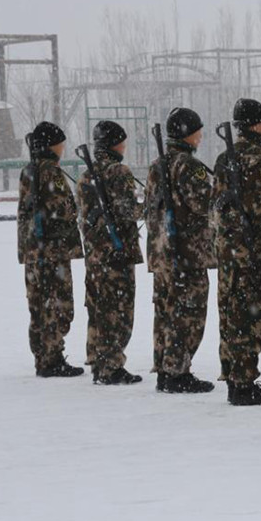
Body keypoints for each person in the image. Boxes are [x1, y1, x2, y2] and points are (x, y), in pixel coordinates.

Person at [213, 98, 261, 406]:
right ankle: (244, 382)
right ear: (257, 125)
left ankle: (233, 375)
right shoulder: (259, 160)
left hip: (228, 248)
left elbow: (218, 205)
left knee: (231, 312)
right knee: (250, 316)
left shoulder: (224, 158)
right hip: (251, 248)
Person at [145, 107, 216, 393]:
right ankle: (178, 371)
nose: (201, 135)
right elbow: (204, 204)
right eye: (198, 130)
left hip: (162, 251)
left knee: (165, 310)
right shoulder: (189, 166)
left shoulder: (157, 165)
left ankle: (165, 367)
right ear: (189, 133)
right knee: (188, 312)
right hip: (186, 252)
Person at [77, 121, 144, 384]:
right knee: (118, 310)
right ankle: (111, 366)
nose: (124, 147)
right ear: (115, 144)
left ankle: (97, 357)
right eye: (122, 142)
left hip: (95, 254)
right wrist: (147, 207)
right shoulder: (119, 171)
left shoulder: (86, 175)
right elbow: (126, 211)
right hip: (117, 253)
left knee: (98, 307)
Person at [17, 121, 84, 377]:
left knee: (38, 304)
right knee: (56, 304)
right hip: (52, 251)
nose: (63, 149)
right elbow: (64, 209)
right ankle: (52, 358)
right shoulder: (51, 172)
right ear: (51, 146)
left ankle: (42, 355)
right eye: (60, 144)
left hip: (33, 249)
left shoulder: (28, 170)